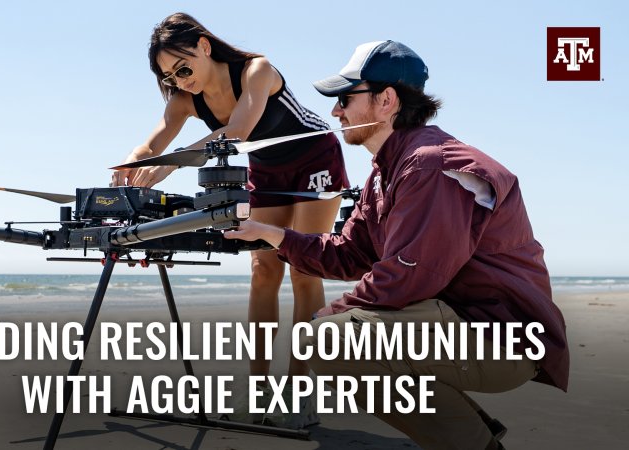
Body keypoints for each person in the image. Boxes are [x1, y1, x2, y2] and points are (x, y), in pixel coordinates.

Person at [225, 40, 570, 449]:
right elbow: (348, 253)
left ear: (386, 100)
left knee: (326, 340)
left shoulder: (431, 163)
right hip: (461, 323)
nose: (335, 112)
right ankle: (473, 437)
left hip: (502, 337)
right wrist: (272, 234)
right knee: (330, 337)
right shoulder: (387, 172)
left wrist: (329, 314)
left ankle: (475, 444)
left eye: (345, 98)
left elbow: (410, 274)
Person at [111, 13, 349, 428]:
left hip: (315, 156)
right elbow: (154, 140)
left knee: (304, 270)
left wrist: (169, 165)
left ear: (204, 47)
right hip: (267, 171)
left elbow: (238, 130)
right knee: (262, 269)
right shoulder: (186, 99)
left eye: (183, 68)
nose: (180, 81)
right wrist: (131, 163)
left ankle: (299, 391)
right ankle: (258, 389)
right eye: (169, 76)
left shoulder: (257, 70)